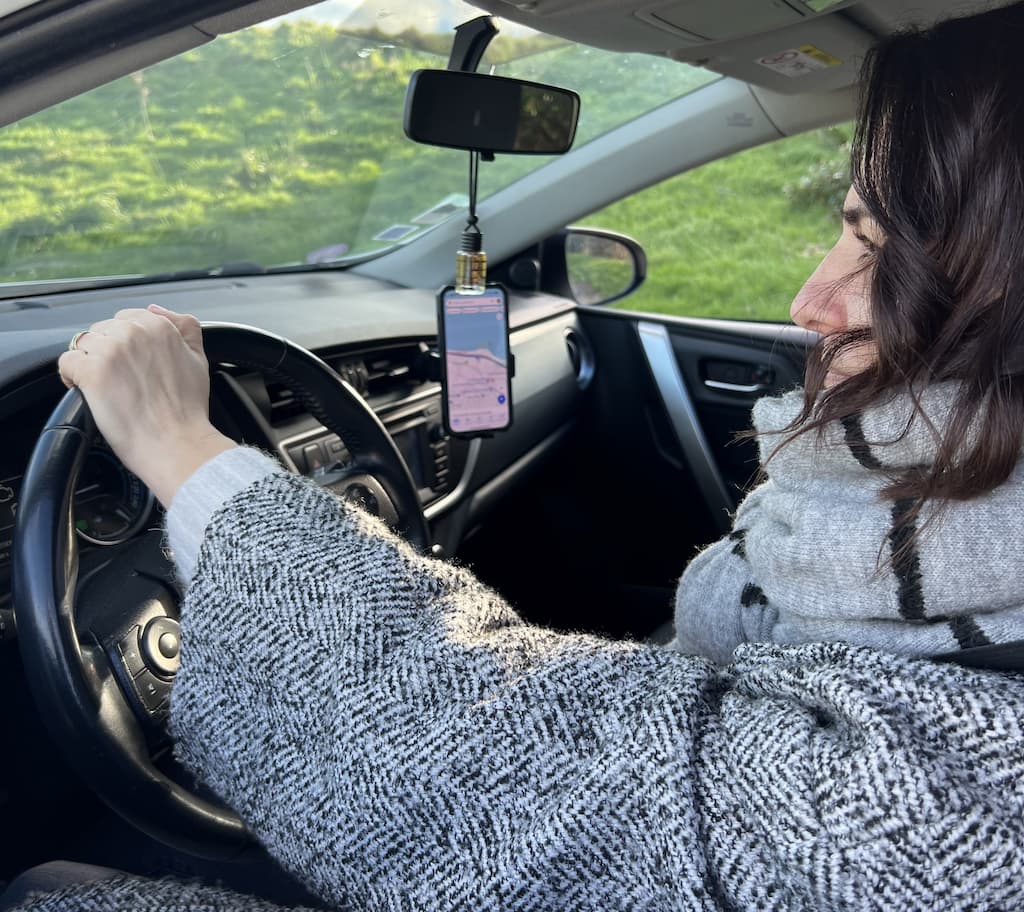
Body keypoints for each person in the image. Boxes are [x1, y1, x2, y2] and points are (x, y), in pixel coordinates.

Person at [6, 4, 1024, 911]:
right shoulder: (925, 530)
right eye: (844, 229)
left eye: (884, 253)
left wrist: (187, 456)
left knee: (46, 888)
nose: (811, 304)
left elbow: (520, 793)